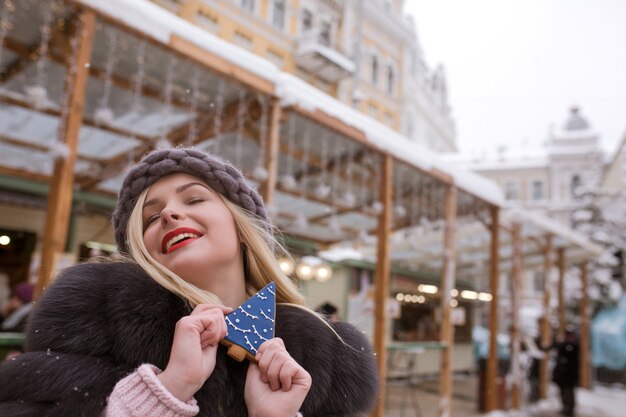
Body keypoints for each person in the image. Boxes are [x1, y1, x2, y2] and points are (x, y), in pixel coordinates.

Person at [0, 148, 378, 416]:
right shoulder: (91, 318)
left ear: (243, 229)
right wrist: (166, 392)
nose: (169, 213)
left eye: (195, 199)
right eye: (150, 217)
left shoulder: (324, 352)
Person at [552, 329, 579, 417]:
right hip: (563, 376)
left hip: (570, 376)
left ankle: (569, 409)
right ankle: (565, 407)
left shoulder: (574, 347)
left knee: (569, 393)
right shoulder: (564, 347)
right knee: (564, 392)